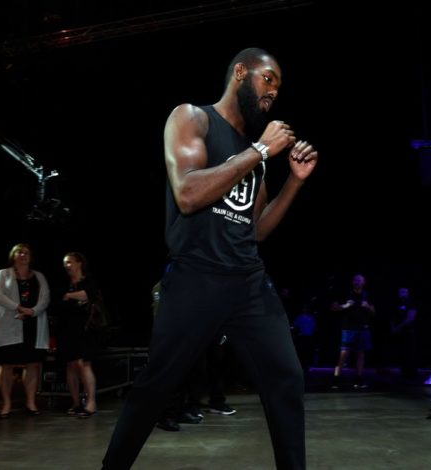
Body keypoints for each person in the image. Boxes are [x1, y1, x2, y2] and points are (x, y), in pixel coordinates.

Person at [102, 47, 318, 469]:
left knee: (286, 378)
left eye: (278, 88)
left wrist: (293, 181)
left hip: (248, 281)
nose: (272, 94)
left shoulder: (255, 153)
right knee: (156, 387)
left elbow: (255, 230)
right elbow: (187, 194)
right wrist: (258, 152)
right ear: (241, 73)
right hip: (195, 276)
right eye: (267, 80)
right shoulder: (192, 118)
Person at [0, 243, 50, 418]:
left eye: (26, 253)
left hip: (33, 325)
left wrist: (32, 311)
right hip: (10, 324)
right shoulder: (3, 274)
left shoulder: (39, 276)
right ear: (13, 256)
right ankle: (6, 404)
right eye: (19, 252)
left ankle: (30, 402)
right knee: (6, 364)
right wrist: (19, 308)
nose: (23, 255)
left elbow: (45, 298)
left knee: (32, 364)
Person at [58, 252, 99, 418]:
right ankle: (75, 403)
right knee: (71, 365)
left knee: (84, 364)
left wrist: (69, 296)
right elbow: (58, 299)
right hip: (67, 328)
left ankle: (91, 402)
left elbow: (88, 295)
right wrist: (71, 296)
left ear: (79, 263)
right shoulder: (64, 283)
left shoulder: (88, 281)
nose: (66, 266)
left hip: (85, 328)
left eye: (69, 262)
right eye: (65, 263)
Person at [330, 274, 375, 389]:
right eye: (356, 280)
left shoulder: (367, 294)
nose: (358, 282)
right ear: (352, 282)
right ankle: (336, 379)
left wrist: (368, 307)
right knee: (343, 354)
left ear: (364, 282)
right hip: (348, 328)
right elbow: (333, 308)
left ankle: (358, 379)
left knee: (360, 354)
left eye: (360, 280)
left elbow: (373, 311)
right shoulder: (346, 293)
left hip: (363, 328)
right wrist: (345, 306)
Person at [389, 287, 418, 381]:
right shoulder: (396, 303)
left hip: (408, 331)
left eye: (405, 291)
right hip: (398, 332)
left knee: (409, 352)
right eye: (401, 291)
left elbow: (410, 318)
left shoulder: (410, 302)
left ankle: (411, 373)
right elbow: (392, 316)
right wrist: (393, 327)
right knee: (401, 353)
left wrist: (399, 327)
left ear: (408, 293)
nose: (403, 293)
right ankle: (404, 372)